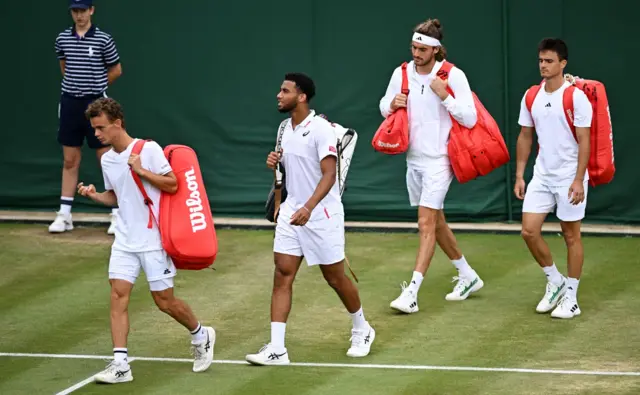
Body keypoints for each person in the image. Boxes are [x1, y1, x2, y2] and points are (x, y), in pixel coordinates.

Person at [77, 98, 215, 383]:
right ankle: (120, 365)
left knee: (164, 302)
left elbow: (173, 184)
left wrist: (141, 170)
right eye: (94, 129)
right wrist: (94, 196)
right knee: (117, 295)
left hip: (153, 240)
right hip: (125, 240)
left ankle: (201, 334)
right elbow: (116, 196)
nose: (97, 134)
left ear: (118, 123)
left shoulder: (148, 150)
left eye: (101, 128)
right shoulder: (108, 159)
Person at [245, 73, 375, 365]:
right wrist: (276, 178)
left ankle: (362, 328)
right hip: (292, 211)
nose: (278, 95)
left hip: (321, 214)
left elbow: (330, 174)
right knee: (282, 274)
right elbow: (285, 172)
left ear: (301, 97)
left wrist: (310, 207)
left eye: (285, 91)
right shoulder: (283, 128)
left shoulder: (320, 129)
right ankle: (277, 349)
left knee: (335, 277)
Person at [379, 19, 484, 314]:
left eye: (422, 49)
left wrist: (444, 95)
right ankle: (468, 275)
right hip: (413, 160)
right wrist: (392, 104)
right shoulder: (401, 73)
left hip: (441, 161)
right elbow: (383, 105)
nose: (416, 53)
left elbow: (470, 118)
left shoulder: (453, 76)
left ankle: (411, 293)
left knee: (425, 223)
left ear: (436, 50)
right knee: (436, 222)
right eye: (413, 47)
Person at [515, 38, 592, 319]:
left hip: (570, 178)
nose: (543, 66)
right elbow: (525, 135)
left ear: (563, 64)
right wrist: (520, 175)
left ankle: (571, 296)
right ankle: (555, 280)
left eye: (549, 61)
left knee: (571, 235)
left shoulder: (577, 98)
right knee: (528, 231)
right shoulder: (531, 96)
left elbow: (585, 142)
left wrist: (578, 179)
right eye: (541, 61)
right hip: (542, 176)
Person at [50, 0, 123, 235]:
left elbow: (116, 70)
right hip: (70, 102)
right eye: (75, 11)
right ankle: (64, 214)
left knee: (106, 158)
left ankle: (116, 214)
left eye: (83, 11)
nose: (79, 15)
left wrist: (96, 88)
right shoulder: (62, 39)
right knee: (70, 159)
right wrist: (77, 87)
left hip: (96, 104)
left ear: (91, 10)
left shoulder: (103, 39)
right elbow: (65, 67)